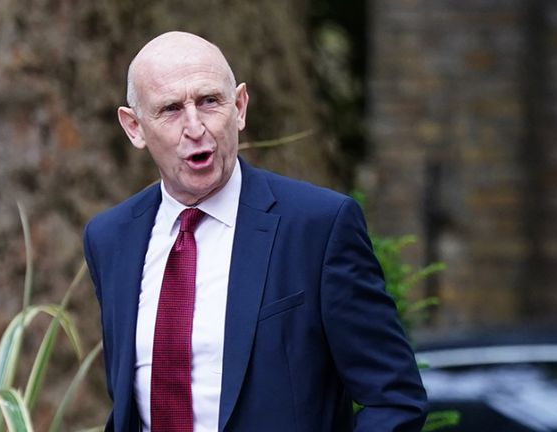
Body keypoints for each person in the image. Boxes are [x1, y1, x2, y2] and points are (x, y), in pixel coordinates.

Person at [83, 31, 427, 432]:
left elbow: (394, 399)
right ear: (134, 127)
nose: (195, 127)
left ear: (240, 107)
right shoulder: (110, 238)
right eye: (171, 109)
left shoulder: (318, 226)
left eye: (209, 101)